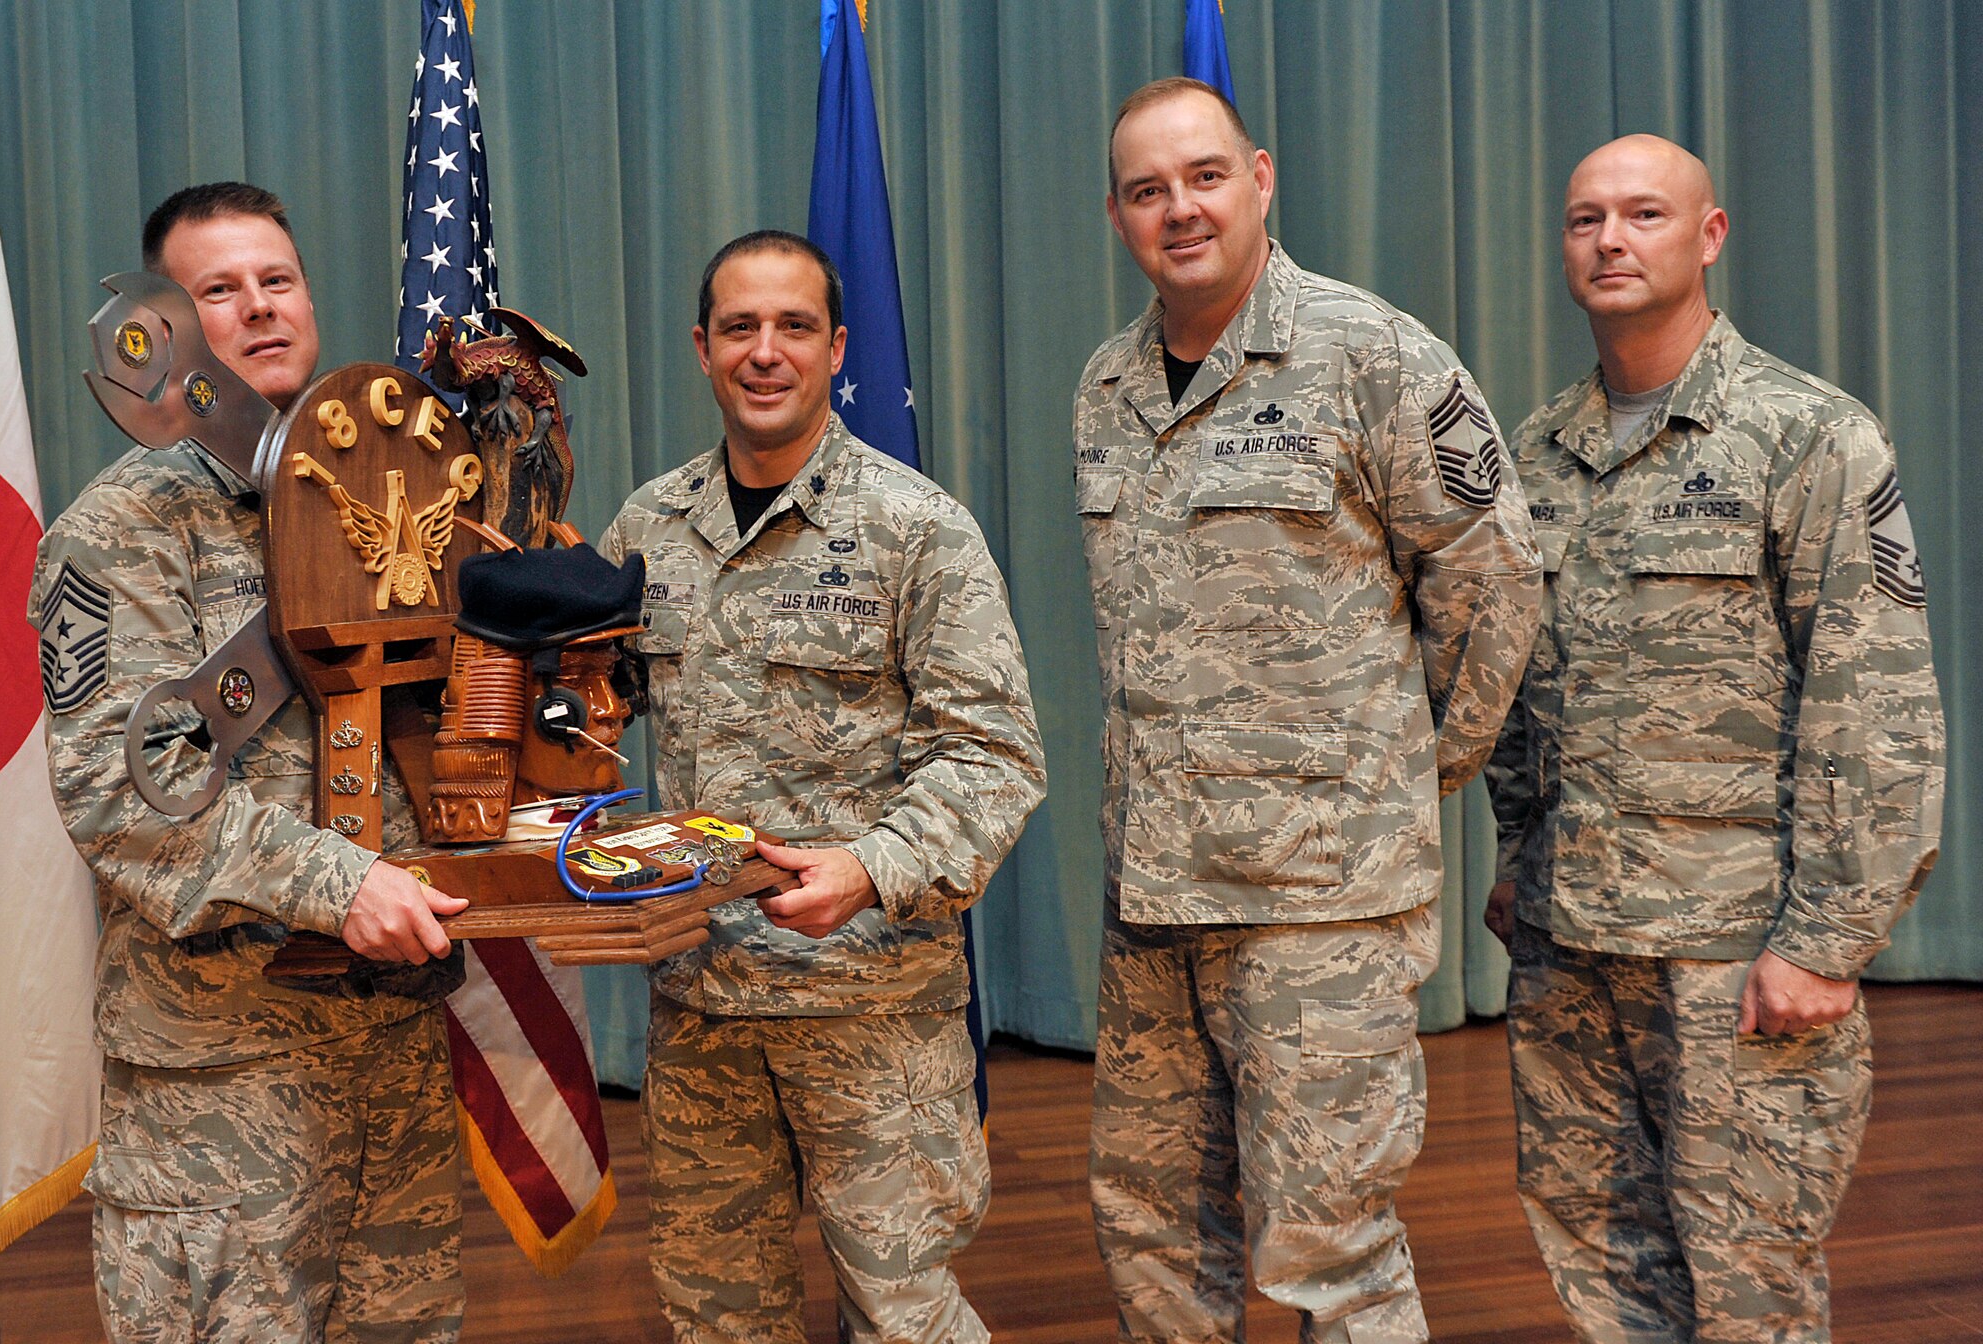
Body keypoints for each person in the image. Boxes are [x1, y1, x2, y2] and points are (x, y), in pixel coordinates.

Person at [1077, 79, 1542, 1343]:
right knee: (1153, 1226)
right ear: (1117, 214)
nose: (1180, 209)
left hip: (1318, 903)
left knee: (1329, 1244)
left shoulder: (1372, 354)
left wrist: (1401, 772)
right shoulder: (1106, 385)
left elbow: (1492, 590)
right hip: (1155, 897)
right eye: (1147, 189)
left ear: (1261, 178)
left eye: (1205, 176)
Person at [1483, 134, 1946, 1343]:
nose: (1610, 240)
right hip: (1571, 942)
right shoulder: (1538, 454)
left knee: (1748, 1282)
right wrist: (1515, 860)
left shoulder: (1808, 438)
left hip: (1734, 955)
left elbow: (1875, 702)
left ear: (1708, 234)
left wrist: (1827, 944)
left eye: (1642, 213)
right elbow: (1524, 688)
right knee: (1599, 1258)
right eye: (1585, 218)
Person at [29, 182, 468, 1344]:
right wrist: (341, 887)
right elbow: (120, 795)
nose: (260, 309)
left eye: (278, 281)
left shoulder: (402, 502)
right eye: (220, 291)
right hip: (224, 1080)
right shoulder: (116, 533)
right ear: (166, 333)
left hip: (395, 1047)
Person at [600, 230, 1046, 1344]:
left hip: (871, 1011)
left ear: (834, 347)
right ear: (700, 349)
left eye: (793, 327)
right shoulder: (645, 532)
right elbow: (587, 726)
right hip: (703, 1015)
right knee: (717, 1316)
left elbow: (993, 755)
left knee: (904, 1318)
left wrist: (871, 868)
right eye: (739, 328)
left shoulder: (916, 530)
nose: (765, 352)